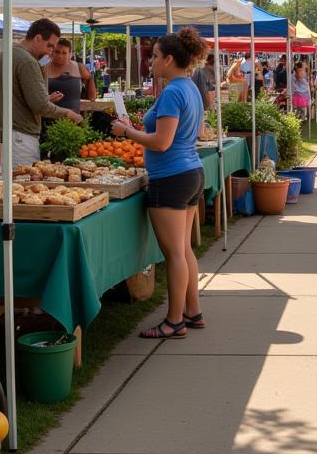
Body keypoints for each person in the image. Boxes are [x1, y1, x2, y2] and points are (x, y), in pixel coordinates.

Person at [111, 31, 207, 339]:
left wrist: (126, 133)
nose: (150, 61)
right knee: (184, 250)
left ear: (168, 59)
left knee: (175, 255)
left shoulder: (171, 92)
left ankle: (174, 321)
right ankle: (192, 312)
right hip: (190, 172)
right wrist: (138, 131)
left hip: (172, 178)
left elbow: (162, 142)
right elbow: (192, 132)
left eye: (153, 56)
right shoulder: (189, 87)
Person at [0, 18, 82, 167]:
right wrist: (69, 113)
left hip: (7, 134)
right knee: (23, 186)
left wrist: (45, 98)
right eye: (50, 46)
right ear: (38, 38)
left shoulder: (7, 52)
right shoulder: (28, 61)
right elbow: (40, 106)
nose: (50, 52)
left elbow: (17, 95)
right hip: (21, 138)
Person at [45, 38, 96, 114]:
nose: (60, 56)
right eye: (57, 52)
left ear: (70, 54)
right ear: (52, 52)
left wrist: (91, 97)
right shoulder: (43, 68)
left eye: (64, 53)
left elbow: (89, 78)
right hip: (48, 117)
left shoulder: (79, 67)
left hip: (73, 119)